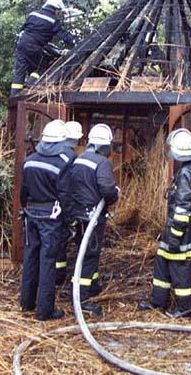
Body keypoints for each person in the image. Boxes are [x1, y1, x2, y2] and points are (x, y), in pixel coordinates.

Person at [138, 128, 191, 318]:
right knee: (162, 260)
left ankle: (185, 309)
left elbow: (183, 209)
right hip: (190, 229)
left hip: (181, 231)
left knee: (179, 268)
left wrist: (175, 236)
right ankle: (158, 302)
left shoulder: (185, 174)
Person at [20, 119, 70, 321]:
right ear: (60, 142)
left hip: (31, 214)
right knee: (48, 261)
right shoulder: (62, 163)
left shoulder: (29, 161)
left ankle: (26, 303)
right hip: (51, 217)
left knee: (30, 257)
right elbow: (65, 195)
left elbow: (23, 192)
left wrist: (27, 209)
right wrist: (68, 220)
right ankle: (45, 310)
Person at [67, 123, 119, 316]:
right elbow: (107, 189)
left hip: (77, 215)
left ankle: (92, 285)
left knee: (83, 251)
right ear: (105, 145)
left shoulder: (79, 159)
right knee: (89, 256)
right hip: (92, 218)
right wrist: (115, 195)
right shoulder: (102, 162)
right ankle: (82, 299)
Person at [10, 0, 75, 96]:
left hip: (21, 44)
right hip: (34, 47)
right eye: (58, 11)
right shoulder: (53, 20)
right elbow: (63, 35)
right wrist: (74, 42)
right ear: (55, 9)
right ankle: (29, 86)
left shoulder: (33, 14)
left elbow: (23, 28)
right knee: (42, 67)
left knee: (20, 70)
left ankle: (14, 95)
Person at [55, 121, 83, 285]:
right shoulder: (71, 157)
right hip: (62, 206)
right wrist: (71, 215)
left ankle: (55, 275)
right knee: (60, 241)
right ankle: (59, 276)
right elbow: (68, 188)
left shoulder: (56, 152)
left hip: (50, 204)